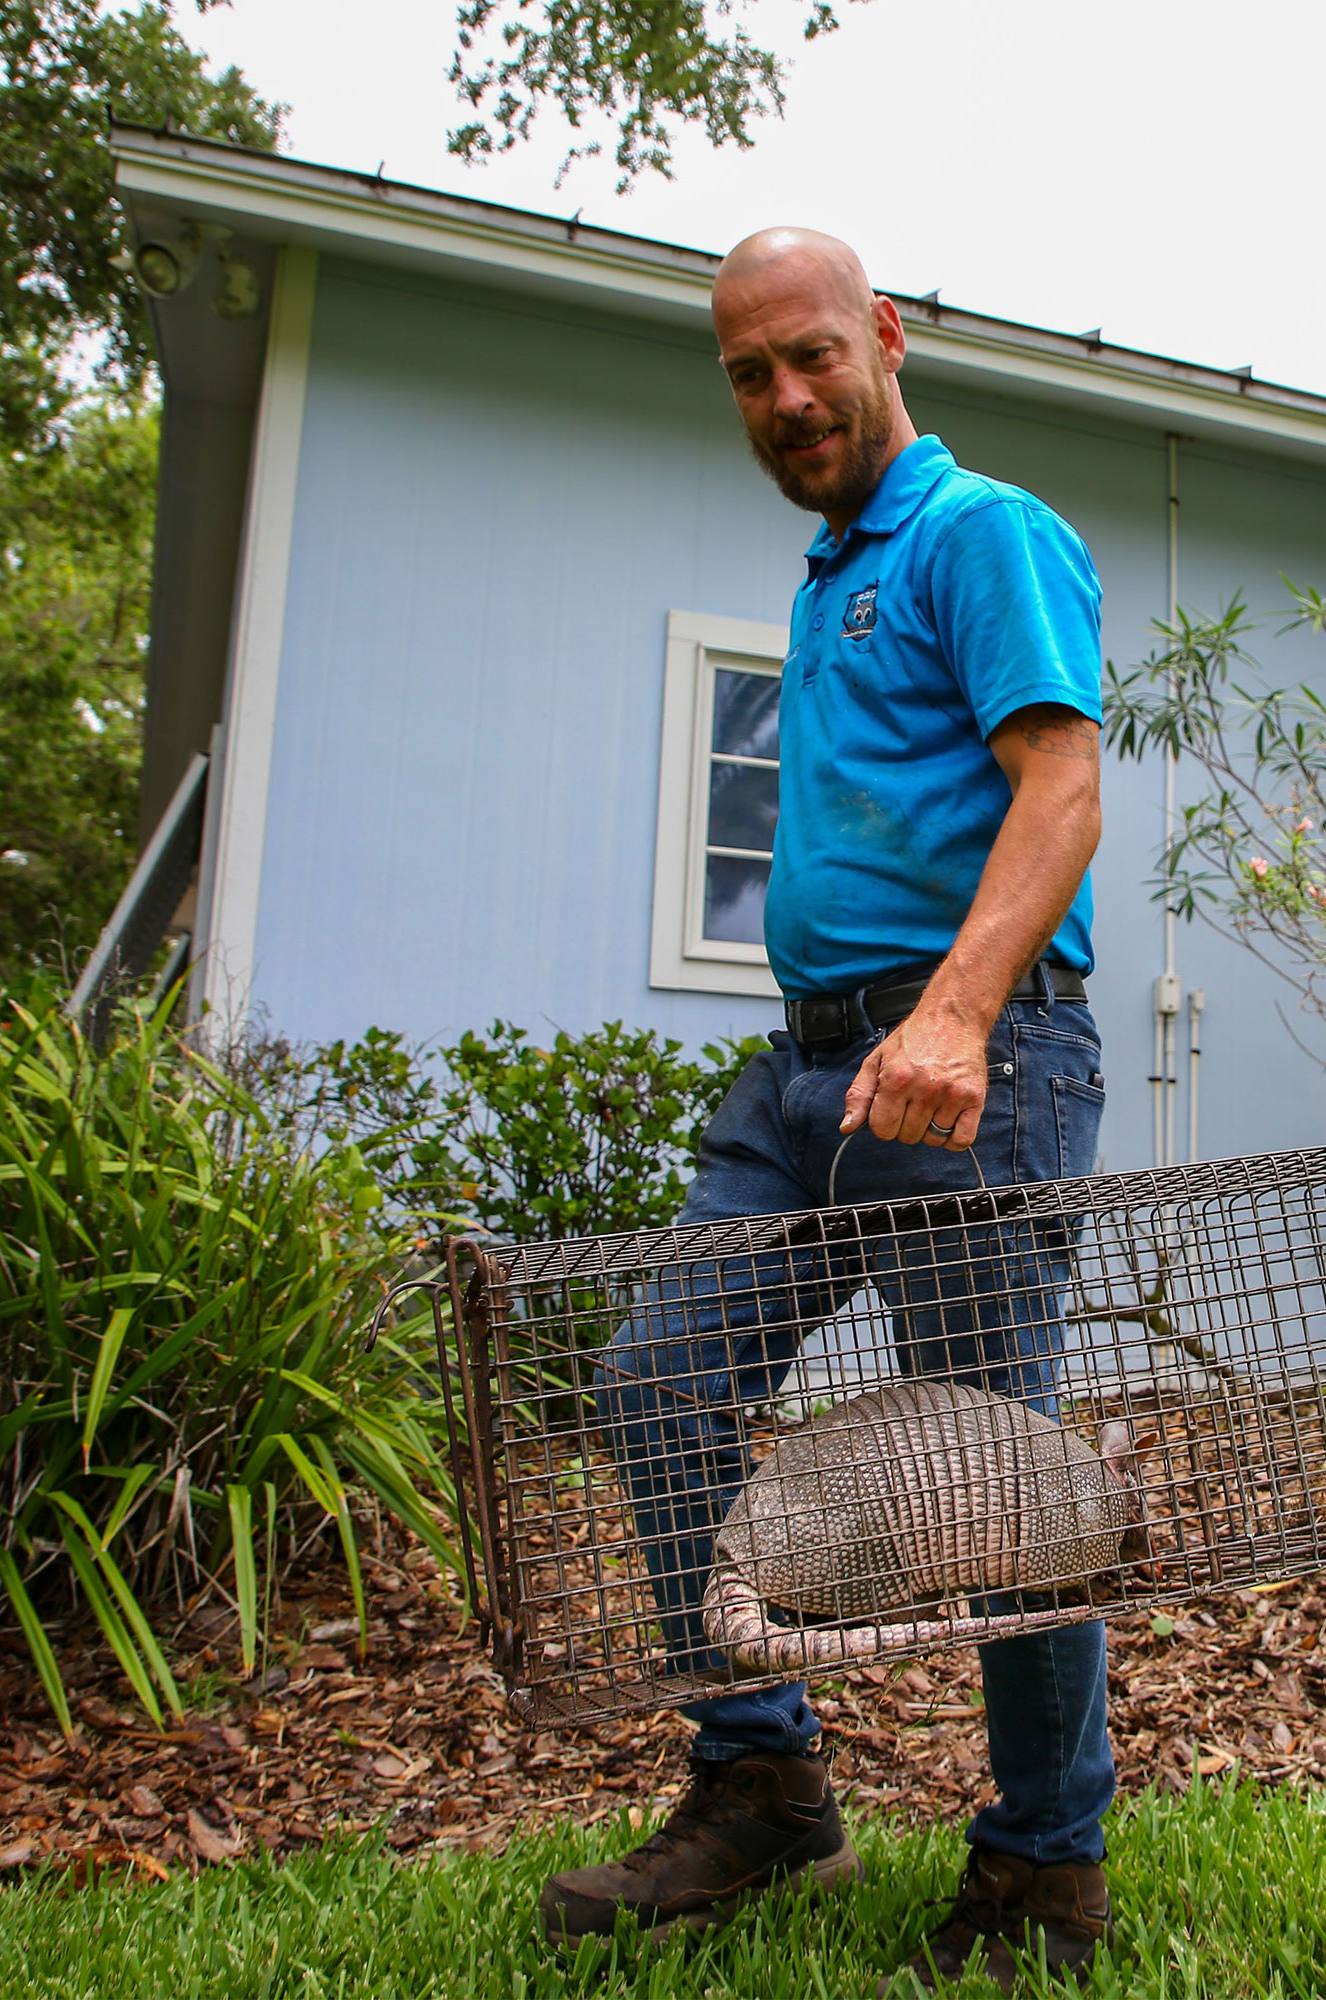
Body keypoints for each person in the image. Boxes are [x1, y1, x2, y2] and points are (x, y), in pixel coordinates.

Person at [534, 227, 1116, 1991]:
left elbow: (1065, 781)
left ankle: (1042, 1867)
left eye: (810, 357)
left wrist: (953, 1015)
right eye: (747, 375)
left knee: (995, 1486)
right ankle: (763, 1776)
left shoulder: (975, 534)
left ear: (885, 338)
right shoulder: (827, 575)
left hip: (965, 1072)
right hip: (800, 1072)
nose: (785, 398)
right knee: (659, 1386)